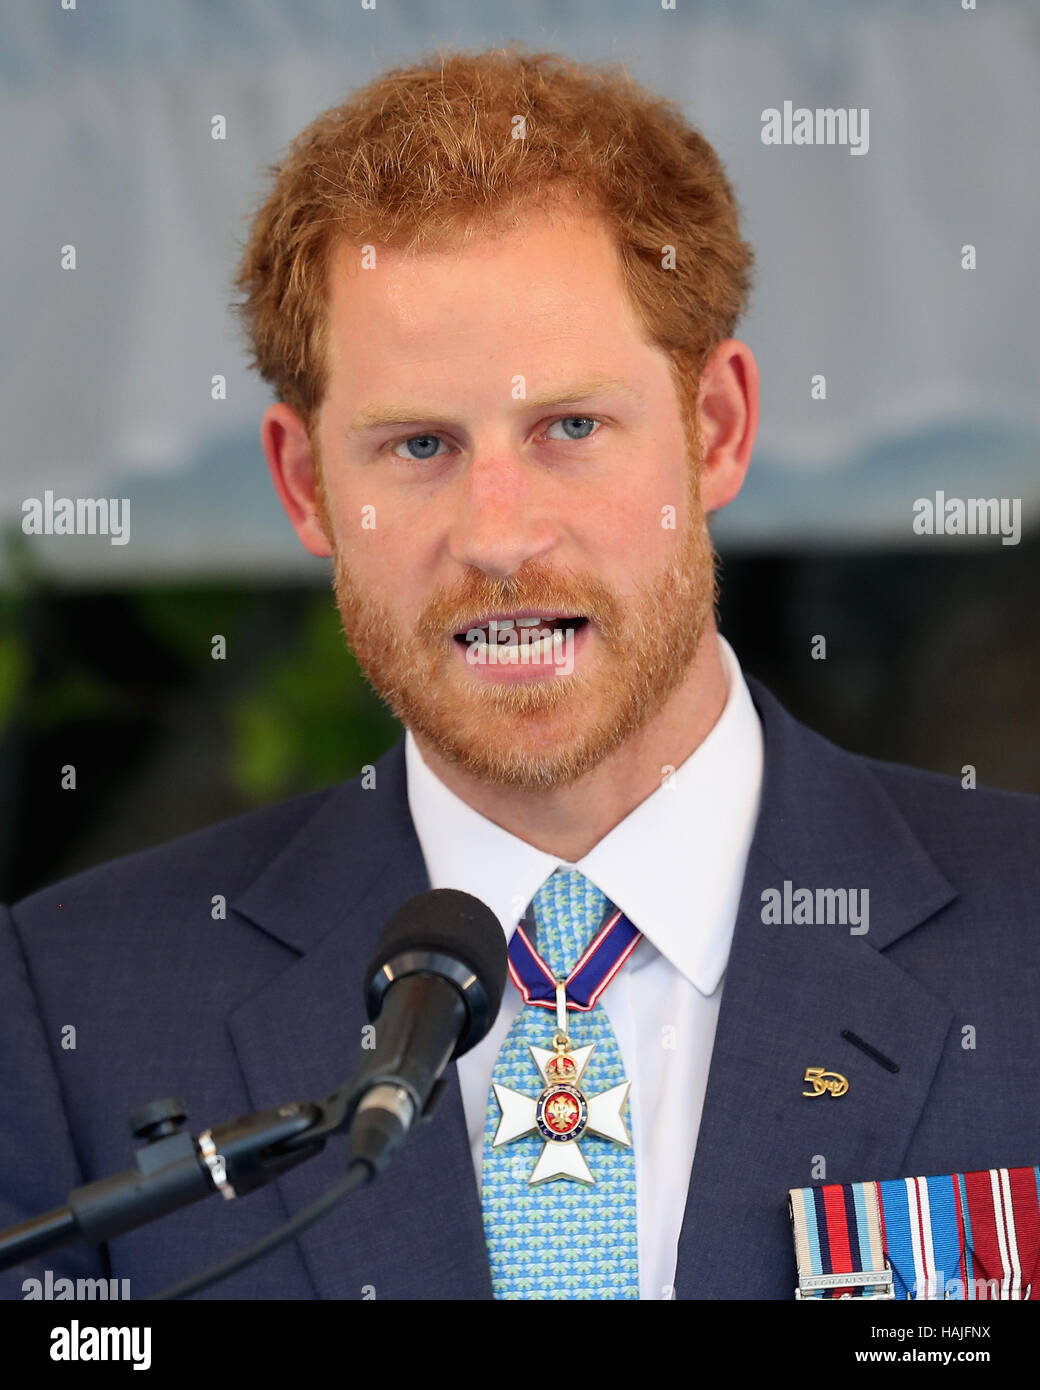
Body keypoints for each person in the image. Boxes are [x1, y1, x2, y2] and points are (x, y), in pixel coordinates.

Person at [1, 47, 1037, 1302]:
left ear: (713, 430)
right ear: (303, 485)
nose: (497, 532)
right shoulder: (67, 1006)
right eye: (418, 443)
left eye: (569, 428)